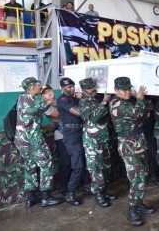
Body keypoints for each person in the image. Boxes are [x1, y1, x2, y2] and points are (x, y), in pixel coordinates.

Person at [109, 77, 155, 226]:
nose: (128, 92)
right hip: (128, 145)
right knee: (136, 178)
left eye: (129, 89)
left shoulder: (130, 100)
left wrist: (138, 98)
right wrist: (140, 99)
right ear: (116, 90)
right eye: (124, 90)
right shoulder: (116, 104)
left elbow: (149, 109)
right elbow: (137, 114)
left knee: (143, 175)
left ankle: (139, 203)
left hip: (139, 142)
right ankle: (132, 210)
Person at [15, 77, 63, 208]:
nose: (39, 87)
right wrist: (62, 108)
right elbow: (54, 113)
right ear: (32, 88)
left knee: (29, 165)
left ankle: (30, 198)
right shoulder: (37, 100)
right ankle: (46, 197)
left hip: (20, 139)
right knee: (46, 163)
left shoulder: (21, 97)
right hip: (33, 139)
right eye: (37, 85)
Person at [78, 78, 116, 207]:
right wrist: (105, 102)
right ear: (83, 90)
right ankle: (98, 194)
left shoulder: (96, 100)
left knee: (105, 166)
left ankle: (103, 191)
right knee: (95, 168)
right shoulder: (83, 103)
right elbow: (94, 117)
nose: (93, 90)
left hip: (103, 138)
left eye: (93, 87)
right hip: (92, 141)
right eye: (89, 88)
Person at [57, 77, 84, 206]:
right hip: (71, 135)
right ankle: (70, 192)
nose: (72, 88)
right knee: (77, 165)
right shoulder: (62, 100)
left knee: (82, 162)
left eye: (73, 86)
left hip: (79, 132)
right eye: (68, 87)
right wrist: (84, 100)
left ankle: (86, 187)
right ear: (62, 88)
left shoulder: (73, 98)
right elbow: (78, 113)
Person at [41, 85, 71, 197]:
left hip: (71, 133)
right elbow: (58, 114)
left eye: (49, 91)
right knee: (65, 162)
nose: (48, 93)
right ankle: (62, 187)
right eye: (45, 93)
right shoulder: (45, 105)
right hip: (60, 135)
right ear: (42, 96)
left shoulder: (59, 100)